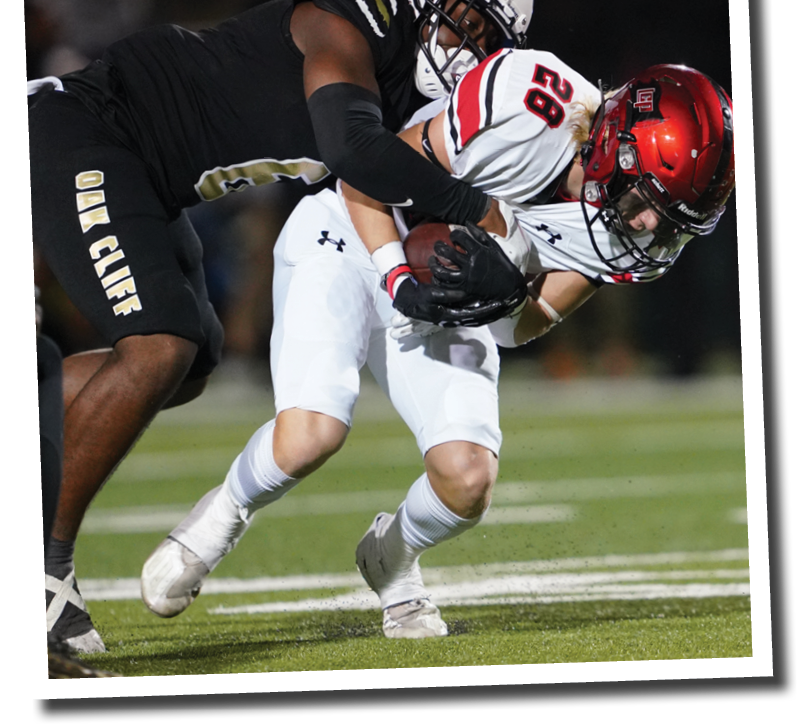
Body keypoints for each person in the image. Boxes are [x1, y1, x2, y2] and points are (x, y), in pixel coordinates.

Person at [29, 0, 535, 653]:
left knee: (189, 363)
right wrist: (476, 211)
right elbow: (350, 147)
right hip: (88, 129)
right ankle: (40, 569)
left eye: (488, 39)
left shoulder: (407, 81)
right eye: (466, 20)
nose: (468, 48)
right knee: (158, 346)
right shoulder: (351, 11)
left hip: (147, 175)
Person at [140, 54, 734, 638]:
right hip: (353, 234)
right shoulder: (526, 107)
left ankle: (391, 560)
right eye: (645, 203)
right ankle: (219, 519)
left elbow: (519, 325)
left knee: (468, 478)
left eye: (670, 217)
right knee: (312, 433)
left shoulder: (623, 235)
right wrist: (399, 277)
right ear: (615, 146)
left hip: (446, 293)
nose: (649, 229)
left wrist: (497, 296)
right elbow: (363, 172)